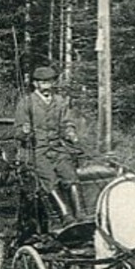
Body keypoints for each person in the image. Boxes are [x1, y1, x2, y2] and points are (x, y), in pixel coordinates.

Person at [13, 64, 84, 219]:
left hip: (58, 149)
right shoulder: (26, 103)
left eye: (50, 82)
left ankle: (80, 214)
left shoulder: (60, 102)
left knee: (70, 176)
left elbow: (67, 123)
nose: (47, 86)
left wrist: (71, 132)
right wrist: (24, 132)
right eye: (43, 82)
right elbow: (17, 132)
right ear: (35, 84)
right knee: (49, 180)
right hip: (37, 151)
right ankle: (65, 217)